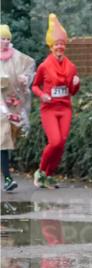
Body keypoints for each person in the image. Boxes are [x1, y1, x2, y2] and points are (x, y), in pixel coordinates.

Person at [32, 14, 80, 188]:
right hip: (49, 109)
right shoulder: (44, 66)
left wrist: (76, 83)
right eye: (56, 44)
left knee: (61, 144)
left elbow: (72, 91)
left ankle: (49, 175)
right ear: (51, 46)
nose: (59, 47)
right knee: (55, 141)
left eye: (62, 44)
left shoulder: (71, 66)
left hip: (65, 108)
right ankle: (41, 171)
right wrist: (42, 95)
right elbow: (35, 86)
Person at [0, 24, 35, 192]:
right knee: (4, 141)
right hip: (0, 107)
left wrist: (25, 78)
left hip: (13, 104)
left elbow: (30, 66)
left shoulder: (18, 57)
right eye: (2, 38)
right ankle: (7, 178)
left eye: (8, 38)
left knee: (12, 138)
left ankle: (7, 174)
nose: (6, 41)